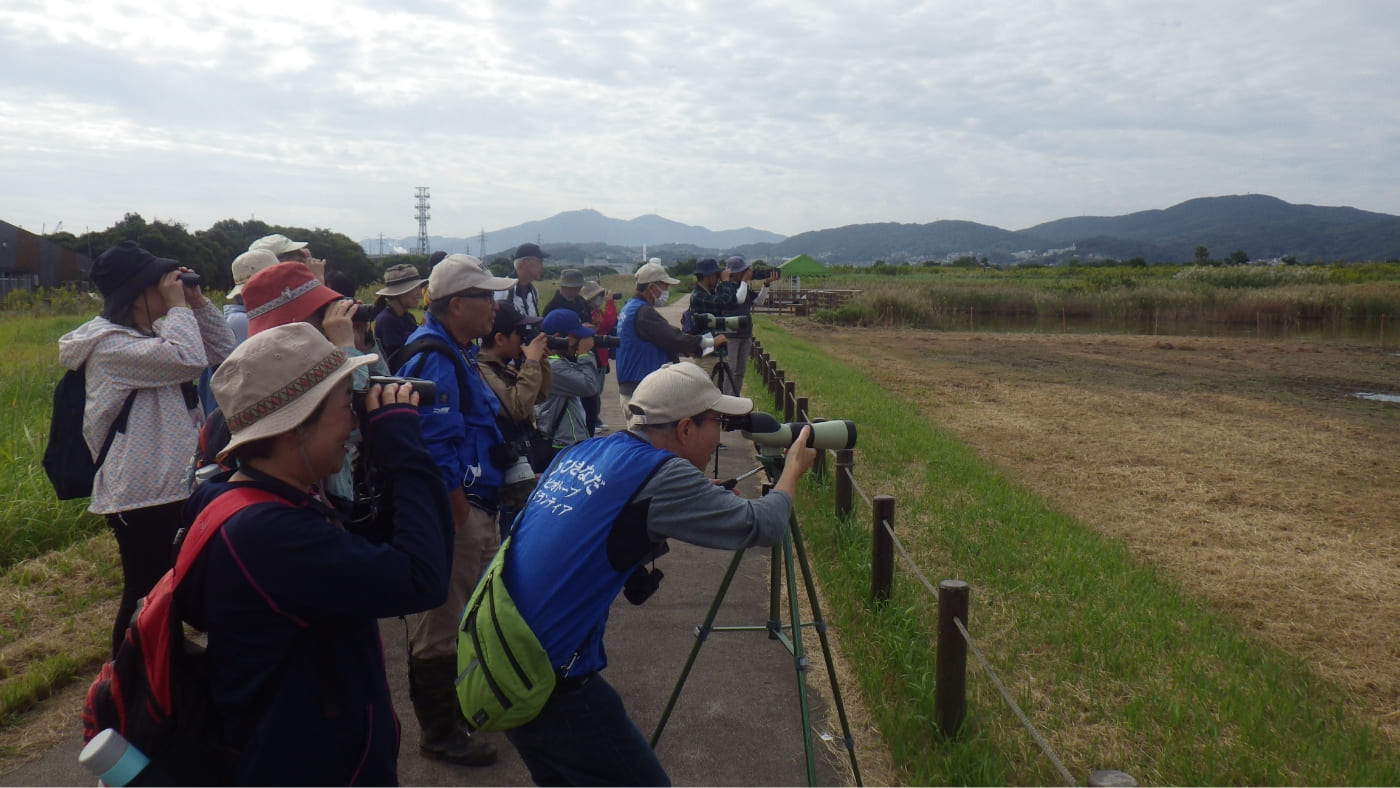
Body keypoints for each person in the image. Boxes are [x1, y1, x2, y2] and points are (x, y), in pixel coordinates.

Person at [500, 362, 818, 786]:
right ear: (686, 429)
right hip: (550, 683)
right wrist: (793, 469)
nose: (719, 436)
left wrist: (697, 500)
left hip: (504, 652)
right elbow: (764, 525)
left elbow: (607, 520)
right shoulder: (661, 476)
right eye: (717, 423)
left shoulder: (588, 450)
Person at [180, 322, 453, 785]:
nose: (354, 421)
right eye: (346, 404)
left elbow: (373, 539)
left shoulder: (233, 496)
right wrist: (403, 445)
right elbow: (422, 577)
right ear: (293, 429)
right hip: (312, 763)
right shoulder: (272, 533)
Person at [58, 241, 237, 656]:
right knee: (145, 594)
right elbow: (190, 360)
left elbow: (223, 354)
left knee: (169, 591)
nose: (172, 288)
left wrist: (193, 303)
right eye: (163, 282)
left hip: (170, 483)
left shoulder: (155, 336)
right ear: (137, 291)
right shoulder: (111, 346)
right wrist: (178, 308)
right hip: (140, 493)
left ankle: (165, 678)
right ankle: (129, 689)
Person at [394, 253, 517, 767]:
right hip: (458, 511)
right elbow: (433, 443)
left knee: (464, 612)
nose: (494, 307)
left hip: (474, 503)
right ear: (456, 303)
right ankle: (440, 732)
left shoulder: (454, 350)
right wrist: (458, 511)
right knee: (443, 620)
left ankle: (460, 715)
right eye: (485, 297)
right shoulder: (435, 357)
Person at [240, 261, 389, 513]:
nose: (328, 319)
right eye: (320, 311)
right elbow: (354, 398)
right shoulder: (276, 371)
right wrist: (345, 346)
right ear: (294, 321)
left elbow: (385, 385)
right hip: (311, 500)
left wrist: (363, 344)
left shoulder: (320, 357)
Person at [477, 302, 552, 536]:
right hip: (503, 472)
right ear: (500, 339)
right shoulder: (482, 370)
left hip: (520, 462)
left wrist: (540, 362)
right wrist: (530, 363)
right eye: (519, 334)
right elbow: (517, 407)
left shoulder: (502, 368)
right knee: (511, 534)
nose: (523, 340)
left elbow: (537, 395)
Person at [615, 261, 725, 413]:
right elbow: (672, 338)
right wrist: (709, 341)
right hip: (641, 387)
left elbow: (660, 334)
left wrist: (687, 349)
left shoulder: (630, 307)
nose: (667, 291)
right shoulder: (643, 312)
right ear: (652, 287)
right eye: (665, 287)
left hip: (633, 384)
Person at [534, 309, 601, 457]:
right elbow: (589, 386)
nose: (579, 342)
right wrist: (585, 354)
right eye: (576, 337)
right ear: (558, 337)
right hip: (562, 444)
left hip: (567, 441)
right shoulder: (553, 367)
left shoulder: (557, 361)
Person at [544, 268, 601, 436]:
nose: (575, 291)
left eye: (578, 287)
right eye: (572, 287)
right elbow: (589, 387)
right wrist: (584, 353)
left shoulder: (580, 302)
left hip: (574, 360)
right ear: (564, 287)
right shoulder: (552, 308)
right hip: (561, 437)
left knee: (590, 408)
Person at [716, 256, 778, 395]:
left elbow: (759, 302)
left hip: (746, 333)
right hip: (731, 335)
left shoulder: (743, 286)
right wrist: (744, 281)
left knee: (740, 371)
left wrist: (766, 285)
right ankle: (726, 398)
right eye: (741, 271)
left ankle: (735, 397)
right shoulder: (724, 287)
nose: (744, 274)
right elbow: (739, 299)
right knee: (730, 369)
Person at [686, 258, 739, 383]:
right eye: (716, 276)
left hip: (714, 353)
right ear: (708, 276)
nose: (718, 279)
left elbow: (732, 303)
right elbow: (726, 302)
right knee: (708, 397)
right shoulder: (699, 295)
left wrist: (725, 284)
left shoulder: (708, 293)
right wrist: (725, 282)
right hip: (707, 357)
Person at [582, 280, 618, 432]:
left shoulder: (596, 311)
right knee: (593, 390)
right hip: (595, 355)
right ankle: (591, 418)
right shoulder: (589, 313)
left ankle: (595, 417)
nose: (601, 298)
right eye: (599, 295)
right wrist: (610, 303)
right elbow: (607, 323)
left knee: (598, 390)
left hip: (602, 356)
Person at [373, 263, 426, 358]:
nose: (419, 293)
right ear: (399, 293)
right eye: (414, 288)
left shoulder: (408, 317)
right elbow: (397, 357)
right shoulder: (386, 320)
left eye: (419, 288)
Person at [495, 242, 547, 317]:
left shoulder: (534, 292)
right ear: (525, 262)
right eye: (540, 262)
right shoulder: (500, 290)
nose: (542, 267)